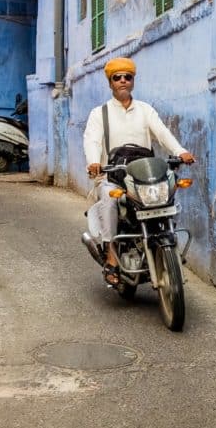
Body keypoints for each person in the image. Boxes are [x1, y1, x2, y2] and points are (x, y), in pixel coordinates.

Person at [83, 57, 195, 285]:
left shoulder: (145, 110)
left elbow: (162, 134)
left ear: (133, 81)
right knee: (108, 197)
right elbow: (92, 140)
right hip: (113, 176)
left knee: (170, 190)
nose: (123, 81)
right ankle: (112, 256)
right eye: (117, 77)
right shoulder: (99, 113)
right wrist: (94, 162)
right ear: (110, 83)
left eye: (128, 77)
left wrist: (180, 151)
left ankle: (166, 242)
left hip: (144, 178)